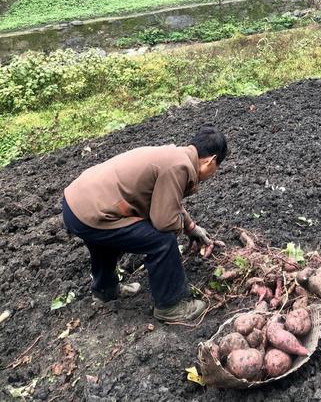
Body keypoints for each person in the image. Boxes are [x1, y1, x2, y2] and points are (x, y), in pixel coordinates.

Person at [62, 125, 228, 323]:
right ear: (211, 161)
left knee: (106, 239)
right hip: (93, 211)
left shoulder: (174, 156)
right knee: (162, 240)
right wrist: (178, 227)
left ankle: (105, 290)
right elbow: (165, 221)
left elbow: (167, 200)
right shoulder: (179, 167)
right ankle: (170, 306)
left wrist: (191, 227)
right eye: (217, 168)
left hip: (77, 205)